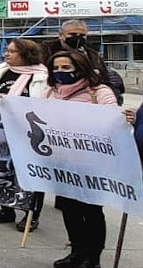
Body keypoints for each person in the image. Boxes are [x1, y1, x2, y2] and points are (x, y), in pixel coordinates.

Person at [46, 49, 135, 268]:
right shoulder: (52, 92)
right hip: (63, 162)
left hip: (92, 163)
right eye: (56, 68)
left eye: (66, 67)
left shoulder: (99, 91)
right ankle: (76, 251)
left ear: (80, 67)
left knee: (92, 210)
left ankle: (93, 258)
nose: (60, 72)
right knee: (69, 208)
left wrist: (126, 118)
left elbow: (111, 119)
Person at [0, 38, 49, 231]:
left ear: (26, 54)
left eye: (11, 52)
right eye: (6, 51)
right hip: (1, 131)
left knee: (29, 176)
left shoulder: (41, 77)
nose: (6, 54)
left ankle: (31, 214)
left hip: (29, 135)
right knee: (2, 173)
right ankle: (6, 208)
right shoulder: (0, 72)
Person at [44, 20, 125, 104]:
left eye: (82, 35)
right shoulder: (45, 52)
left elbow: (105, 79)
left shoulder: (93, 56)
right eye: (73, 34)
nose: (78, 38)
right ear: (61, 35)